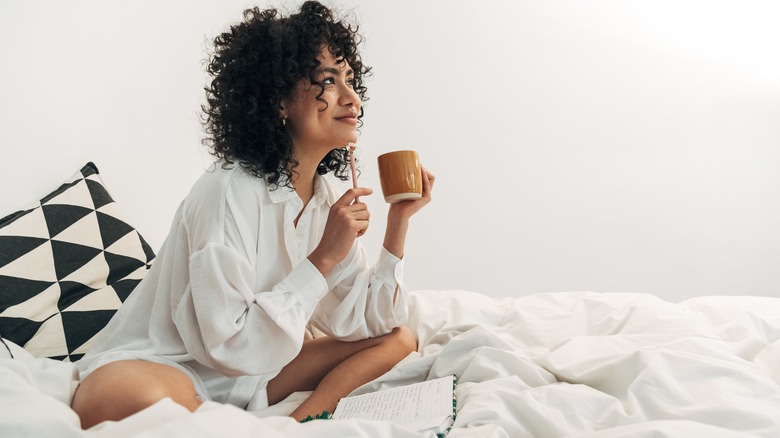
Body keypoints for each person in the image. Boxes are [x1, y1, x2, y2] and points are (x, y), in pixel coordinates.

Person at [72, 1, 434, 429]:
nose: (351, 98)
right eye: (328, 81)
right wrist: (322, 259)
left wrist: (399, 221)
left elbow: (362, 320)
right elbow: (224, 344)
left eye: (350, 80)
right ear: (279, 99)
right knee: (118, 400)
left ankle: (295, 423)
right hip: (174, 366)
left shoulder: (327, 198)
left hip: (256, 375)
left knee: (399, 338)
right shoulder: (228, 189)